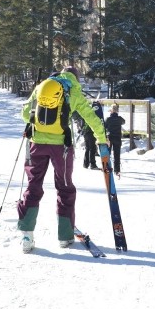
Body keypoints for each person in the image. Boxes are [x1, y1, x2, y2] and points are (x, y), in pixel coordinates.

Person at [17, 66, 106, 253]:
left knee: (33, 186)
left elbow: (25, 113)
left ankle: (26, 235)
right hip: (62, 148)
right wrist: (102, 139)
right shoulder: (73, 91)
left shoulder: (43, 86)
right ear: (76, 77)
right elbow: (90, 117)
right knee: (64, 188)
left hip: (36, 145)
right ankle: (65, 236)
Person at [78, 103, 102, 170]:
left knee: (87, 148)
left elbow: (82, 124)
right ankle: (93, 164)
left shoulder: (85, 114)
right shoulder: (93, 115)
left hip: (85, 133)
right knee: (92, 149)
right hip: (91, 133)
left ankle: (85, 164)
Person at [104, 103, 125, 177]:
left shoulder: (108, 119)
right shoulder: (120, 119)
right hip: (118, 138)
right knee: (117, 155)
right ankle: (117, 170)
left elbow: (104, 126)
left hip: (110, 138)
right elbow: (123, 122)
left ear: (111, 111)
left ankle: (107, 167)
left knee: (108, 153)